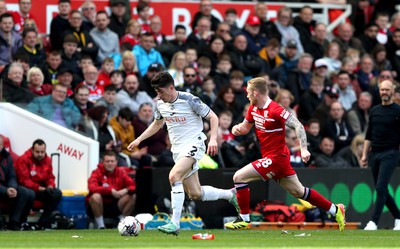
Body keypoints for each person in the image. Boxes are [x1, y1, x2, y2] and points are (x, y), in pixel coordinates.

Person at [223, 77, 345, 232]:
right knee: (299, 191)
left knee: (238, 177)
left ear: (255, 92)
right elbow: (245, 128)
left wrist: (303, 148)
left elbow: (298, 125)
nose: (246, 95)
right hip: (275, 159)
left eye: (248, 92)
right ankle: (335, 210)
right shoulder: (253, 108)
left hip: (276, 159)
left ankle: (244, 219)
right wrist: (237, 128)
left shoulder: (275, 109)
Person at [127, 72, 239, 235]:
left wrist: (213, 139)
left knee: (174, 176)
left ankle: (174, 223)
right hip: (178, 149)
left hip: (194, 144)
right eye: (156, 92)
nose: (158, 95)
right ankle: (230, 194)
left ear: (171, 87)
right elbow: (157, 124)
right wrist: (139, 140)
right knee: (195, 193)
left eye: (160, 91)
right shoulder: (160, 104)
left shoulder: (189, 99)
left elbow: (213, 117)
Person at [360, 80, 400, 231]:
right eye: (382, 90)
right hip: (374, 153)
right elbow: (369, 134)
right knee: (381, 189)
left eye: (387, 90)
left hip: (391, 153)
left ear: (392, 91)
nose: (384, 92)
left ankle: (373, 222)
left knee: (381, 187)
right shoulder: (374, 110)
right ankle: (399, 217)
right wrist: (364, 155)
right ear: (379, 91)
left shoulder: (398, 110)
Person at [15, 139, 63, 229]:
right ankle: (21, 222)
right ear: (32, 150)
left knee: (57, 193)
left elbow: (50, 177)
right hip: (28, 189)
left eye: (42, 152)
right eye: (37, 152)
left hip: (41, 189)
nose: (40, 154)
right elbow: (24, 181)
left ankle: (43, 222)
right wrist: (41, 188)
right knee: (30, 193)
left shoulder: (48, 160)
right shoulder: (24, 159)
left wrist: (50, 186)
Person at [86, 150, 136, 229]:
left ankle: (121, 223)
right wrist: (110, 191)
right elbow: (92, 187)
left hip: (115, 204)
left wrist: (126, 190)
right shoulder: (96, 172)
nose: (110, 163)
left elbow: (133, 186)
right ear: (103, 162)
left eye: (112, 161)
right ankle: (100, 226)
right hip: (100, 205)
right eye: (107, 161)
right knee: (95, 196)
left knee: (131, 196)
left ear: (116, 162)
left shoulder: (121, 172)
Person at [0, 136, 34, 231]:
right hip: (2, 189)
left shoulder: (7, 157)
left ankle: (15, 222)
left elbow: (12, 176)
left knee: (26, 192)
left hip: (7, 188)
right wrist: (5, 190)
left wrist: (12, 187)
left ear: (2, 146)